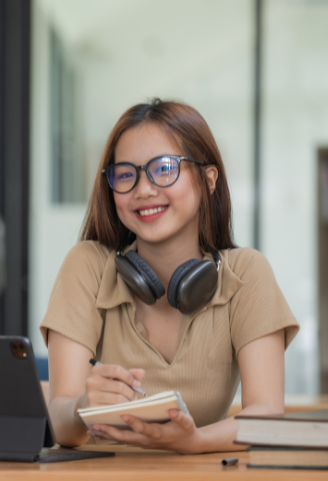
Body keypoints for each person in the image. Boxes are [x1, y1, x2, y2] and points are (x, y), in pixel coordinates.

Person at [40, 99, 299, 454]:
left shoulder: (246, 274)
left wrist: (195, 441)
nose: (143, 190)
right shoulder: (87, 265)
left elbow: (268, 413)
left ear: (208, 179)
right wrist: (83, 404)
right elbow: (60, 422)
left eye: (164, 169)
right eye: (126, 174)